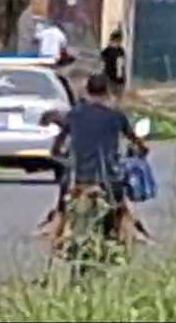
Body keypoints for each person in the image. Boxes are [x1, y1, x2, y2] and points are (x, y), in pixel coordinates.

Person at [46, 74, 150, 243]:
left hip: (80, 180)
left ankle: (55, 240)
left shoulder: (74, 115)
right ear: (108, 92)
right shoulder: (116, 116)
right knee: (123, 208)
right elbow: (137, 141)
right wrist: (143, 149)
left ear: (87, 91)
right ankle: (135, 237)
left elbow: (56, 148)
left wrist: (60, 157)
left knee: (62, 210)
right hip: (109, 180)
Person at [101, 30, 127, 102]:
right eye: (116, 41)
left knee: (117, 98)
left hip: (117, 79)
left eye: (119, 41)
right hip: (110, 78)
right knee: (112, 98)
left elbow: (121, 65)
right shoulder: (108, 50)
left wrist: (122, 77)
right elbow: (102, 61)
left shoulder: (120, 50)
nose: (118, 43)